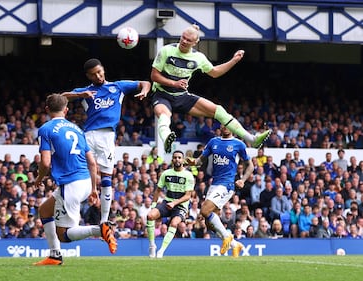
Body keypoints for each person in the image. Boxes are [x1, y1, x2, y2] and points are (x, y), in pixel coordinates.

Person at [149, 24, 271, 153]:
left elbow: (215, 72)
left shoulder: (198, 57)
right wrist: (174, 83)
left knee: (218, 110)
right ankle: (166, 138)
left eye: (188, 40)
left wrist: (234, 60)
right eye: (183, 37)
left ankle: (252, 139)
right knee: (164, 115)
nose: (184, 41)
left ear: (195, 42)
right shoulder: (166, 50)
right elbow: (154, 76)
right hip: (162, 94)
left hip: (182, 96)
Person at [61, 58, 151, 224]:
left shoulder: (117, 86)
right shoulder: (86, 90)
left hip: (107, 136)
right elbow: (61, 98)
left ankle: (104, 220)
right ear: (88, 76)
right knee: (80, 174)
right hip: (87, 135)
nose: (98, 76)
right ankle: (72, 215)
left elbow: (145, 82)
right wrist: (80, 95)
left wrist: (144, 91)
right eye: (94, 74)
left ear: (103, 69)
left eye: (100, 72)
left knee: (106, 178)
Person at [33, 94, 117, 266]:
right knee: (44, 210)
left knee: (64, 234)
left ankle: (100, 229)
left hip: (70, 184)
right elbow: (92, 162)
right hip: (85, 180)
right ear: (66, 110)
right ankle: (54, 256)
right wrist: (93, 189)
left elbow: (46, 162)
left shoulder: (45, 129)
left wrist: (39, 177)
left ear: (47, 109)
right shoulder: (77, 129)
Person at [187, 125, 254, 257]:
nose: (226, 128)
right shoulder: (213, 142)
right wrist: (192, 162)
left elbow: (250, 165)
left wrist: (243, 179)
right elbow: (200, 161)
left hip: (227, 184)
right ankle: (235, 245)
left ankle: (227, 238)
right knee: (209, 221)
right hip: (214, 184)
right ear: (220, 128)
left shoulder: (238, 144)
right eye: (223, 125)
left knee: (205, 211)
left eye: (228, 125)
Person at [147, 150, 194, 258]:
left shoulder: (188, 175)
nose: (177, 159)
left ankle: (161, 251)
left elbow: (188, 196)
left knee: (174, 223)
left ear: (183, 160)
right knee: (150, 216)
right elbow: (158, 190)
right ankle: (152, 245)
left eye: (179, 157)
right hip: (167, 202)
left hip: (181, 205)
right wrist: (154, 205)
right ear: (172, 159)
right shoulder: (166, 173)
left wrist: (174, 203)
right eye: (175, 157)